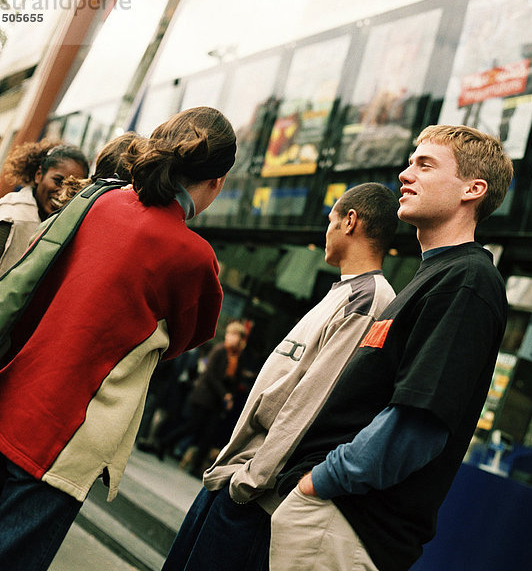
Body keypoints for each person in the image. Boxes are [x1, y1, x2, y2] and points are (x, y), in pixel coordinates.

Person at [0, 106, 236, 571]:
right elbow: (186, 339)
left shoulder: (97, 201)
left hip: (6, 396)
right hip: (66, 441)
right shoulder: (195, 258)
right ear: (216, 182)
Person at [270, 125, 514, 571]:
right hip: (335, 513)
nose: (404, 174)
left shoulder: (468, 281)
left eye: (424, 164)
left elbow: (417, 422)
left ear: (473, 190)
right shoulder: (433, 275)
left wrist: (319, 482)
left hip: (347, 520)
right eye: (408, 162)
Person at [162, 182, 399, 571]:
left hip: (254, 490)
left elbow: (311, 401)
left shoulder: (370, 299)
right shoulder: (345, 291)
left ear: (350, 222)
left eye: (330, 220)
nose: (327, 229)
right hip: (236, 473)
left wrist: (251, 481)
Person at [141, 321, 248, 477]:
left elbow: (235, 380)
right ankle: (164, 442)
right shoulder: (219, 351)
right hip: (204, 397)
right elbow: (211, 375)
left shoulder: (236, 357)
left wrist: (229, 395)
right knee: (193, 426)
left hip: (216, 402)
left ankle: (195, 465)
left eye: (237, 336)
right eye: (232, 334)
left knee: (208, 433)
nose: (233, 338)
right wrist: (224, 394)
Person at [0, 141, 89, 289]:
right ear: (39, 175)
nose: (63, 193)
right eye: (58, 181)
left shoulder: (55, 227)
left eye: (73, 187)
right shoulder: (13, 218)